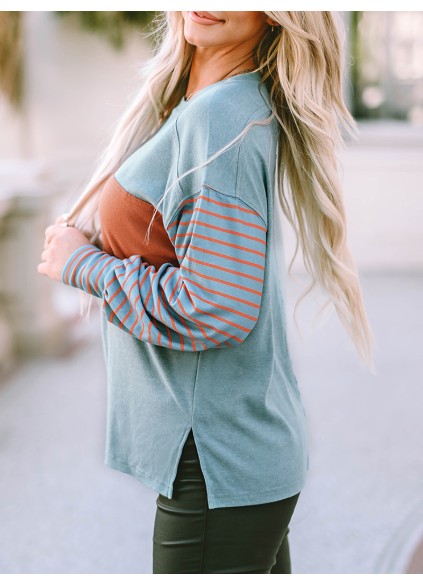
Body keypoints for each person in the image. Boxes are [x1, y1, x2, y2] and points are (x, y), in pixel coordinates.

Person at [38, 11, 373, 574]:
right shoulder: (204, 105)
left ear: (276, 16)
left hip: (215, 466)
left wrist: (83, 265)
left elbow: (215, 308)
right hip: (230, 462)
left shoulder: (224, 118)